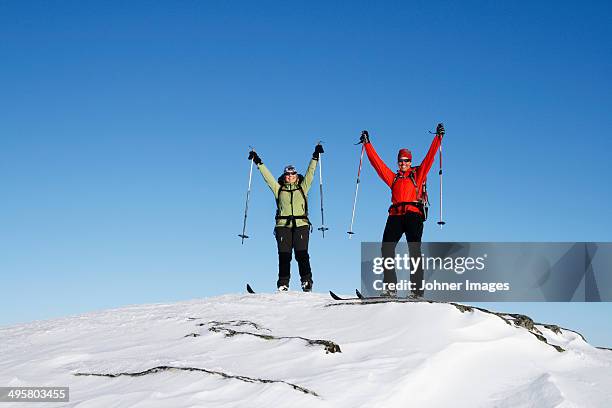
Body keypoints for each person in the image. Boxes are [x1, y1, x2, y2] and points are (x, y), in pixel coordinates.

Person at [360, 124, 445, 298]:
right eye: (401, 161)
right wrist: (367, 144)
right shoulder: (394, 178)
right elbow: (378, 164)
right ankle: (390, 287)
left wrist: (438, 137)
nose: (403, 163)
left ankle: (416, 290)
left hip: (413, 215)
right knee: (386, 248)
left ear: (410, 162)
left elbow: (430, 158)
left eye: (406, 160)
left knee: (414, 250)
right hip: (395, 216)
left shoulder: (418, 174)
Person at [247, 143, 324, 292]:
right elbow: (268, 177)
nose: (290, 176)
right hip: (283, 226)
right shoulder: (279, 189)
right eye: (288, 174)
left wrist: (315, 156)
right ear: (284, 176)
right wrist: (258, 162)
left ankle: (306, 281)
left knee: (302, 255)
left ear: (296, 176)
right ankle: (283, 284)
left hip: (301, 224)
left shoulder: (303, 187)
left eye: (293, 174)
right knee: (284, 256)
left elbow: (310, 173)